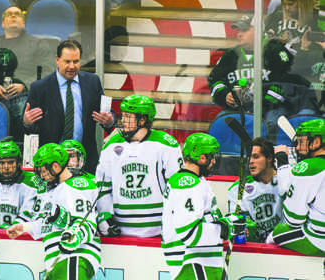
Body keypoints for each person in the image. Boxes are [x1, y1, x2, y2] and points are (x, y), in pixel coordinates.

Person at [6, 143, 100, 280]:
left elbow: (86, 221)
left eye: (44, 171)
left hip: (74, 258)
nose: (43, 176)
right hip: (57, 259)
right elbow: (51, 224)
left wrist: (75, 236)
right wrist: (25, 227)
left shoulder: (76, 185)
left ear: (56, 166)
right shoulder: (54, 190)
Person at [95, 94, 183, 237]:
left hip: (158, 230)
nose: (122, 120)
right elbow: (102, 187)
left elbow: (178, 188)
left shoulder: (166, 144)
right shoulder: (111, 145)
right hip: (120, 230)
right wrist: (105, 215)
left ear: (142, 120)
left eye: (128, 117)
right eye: (122, 115)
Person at [23, 39, 114, 174]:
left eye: (76, 61)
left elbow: (108, 114)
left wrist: (109, 120)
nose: (72, 66)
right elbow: (25, 127)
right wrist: (26, 122)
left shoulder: (92, 82)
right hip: (51, 163)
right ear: (57, 60)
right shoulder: (40, 88)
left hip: (85, 161)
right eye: (67, 62)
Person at [162, 133, 245, 279]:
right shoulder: (187, 183)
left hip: (199, 263)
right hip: (192, 264)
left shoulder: (194, 181)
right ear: (202, 157)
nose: (214, 161)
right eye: (212, 157)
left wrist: (227, 221)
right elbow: (189, 232)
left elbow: (203, 218)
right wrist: (224, 229)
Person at [266, 119, 325, 256]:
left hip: (318, 242)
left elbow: (293, 219)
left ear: (316, 142)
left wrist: (282, 161)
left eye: (301, 142)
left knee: (273, 235)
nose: (297, 148)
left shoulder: (308, 168)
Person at [227, 137, 292, 242]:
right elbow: (238, 222)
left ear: (269, 158)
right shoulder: (239, 188)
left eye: (256, 157)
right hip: (257, 251)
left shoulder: (285, 179)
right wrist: (245, 228)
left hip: (284, 247)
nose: (251, 162)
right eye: (249, 157)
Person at [0, 6, 55, 87]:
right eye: (9, 14)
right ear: (3, 24)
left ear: (23, 24)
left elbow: (48, 71)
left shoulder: (38, 44)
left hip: (26, 91)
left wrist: (24, 85)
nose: (13, 16)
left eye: (17, 14)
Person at [208, 15, 263, 114]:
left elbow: (283, 84)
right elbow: (215, 79)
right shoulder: (230, 55)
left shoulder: (272, 52)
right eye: (239, 30)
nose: (239, 34)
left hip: (266, 110)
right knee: (222, 123)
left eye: (245, 30)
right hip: (236, 110)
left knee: (272, 122)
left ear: (259, 31)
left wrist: (266, 102)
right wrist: (225, 95)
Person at [0, 139, 37, 228]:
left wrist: (13, 228)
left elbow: (29, 213)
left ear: (18, 163)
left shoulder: (30, 182)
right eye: (2, 163)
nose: (6, 167)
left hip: (20, 237)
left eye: (10, 162)